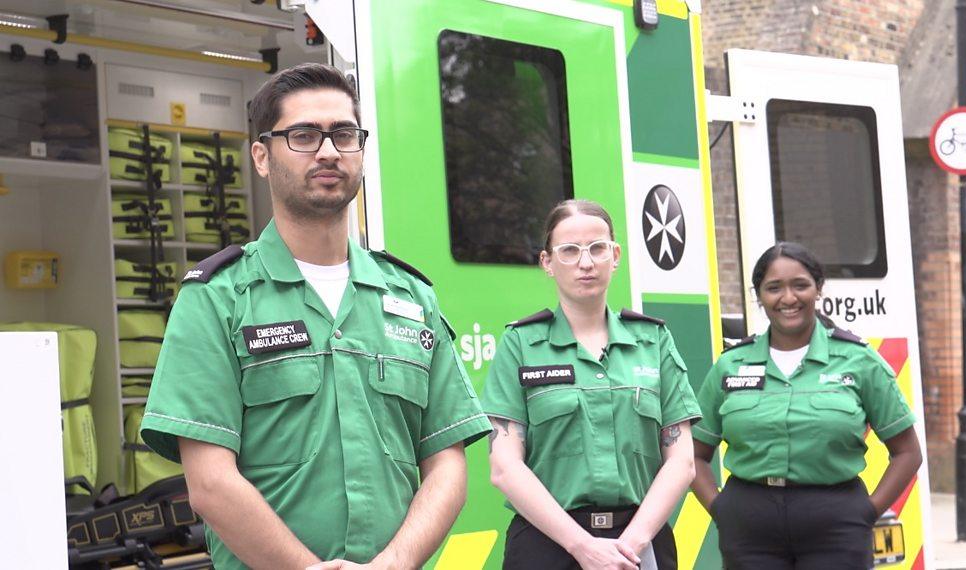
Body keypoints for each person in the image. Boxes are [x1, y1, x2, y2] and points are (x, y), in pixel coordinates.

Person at [140, 63, 492, 569]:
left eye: (343, 135)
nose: (328, 151)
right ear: (261, 156)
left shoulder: (412, 298)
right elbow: (210, 484)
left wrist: (392, 565)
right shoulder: (218, 299)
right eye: (303, 135)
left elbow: (447, 464)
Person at [483, 199, 702, 570]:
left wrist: (630, 544)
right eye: (569, 251)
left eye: (597, 248)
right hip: (546, 545)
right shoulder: (521, 345)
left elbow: (681, 462)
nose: (586, 262)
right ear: (547, 263)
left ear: (615, 255)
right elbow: (504, 467)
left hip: (639, 544)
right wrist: (582, 546)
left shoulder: (654, 342)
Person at [690, 242, 923, 569]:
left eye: (800, 285)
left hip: (836, 523)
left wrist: (867, 512)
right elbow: (693, 454)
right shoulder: (731, 365)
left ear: (818, 289)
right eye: (774, 288)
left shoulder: (858, 360)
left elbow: (908, 452)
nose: (788, 298)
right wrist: (720, 508)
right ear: (759, 296)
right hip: (749, 525)